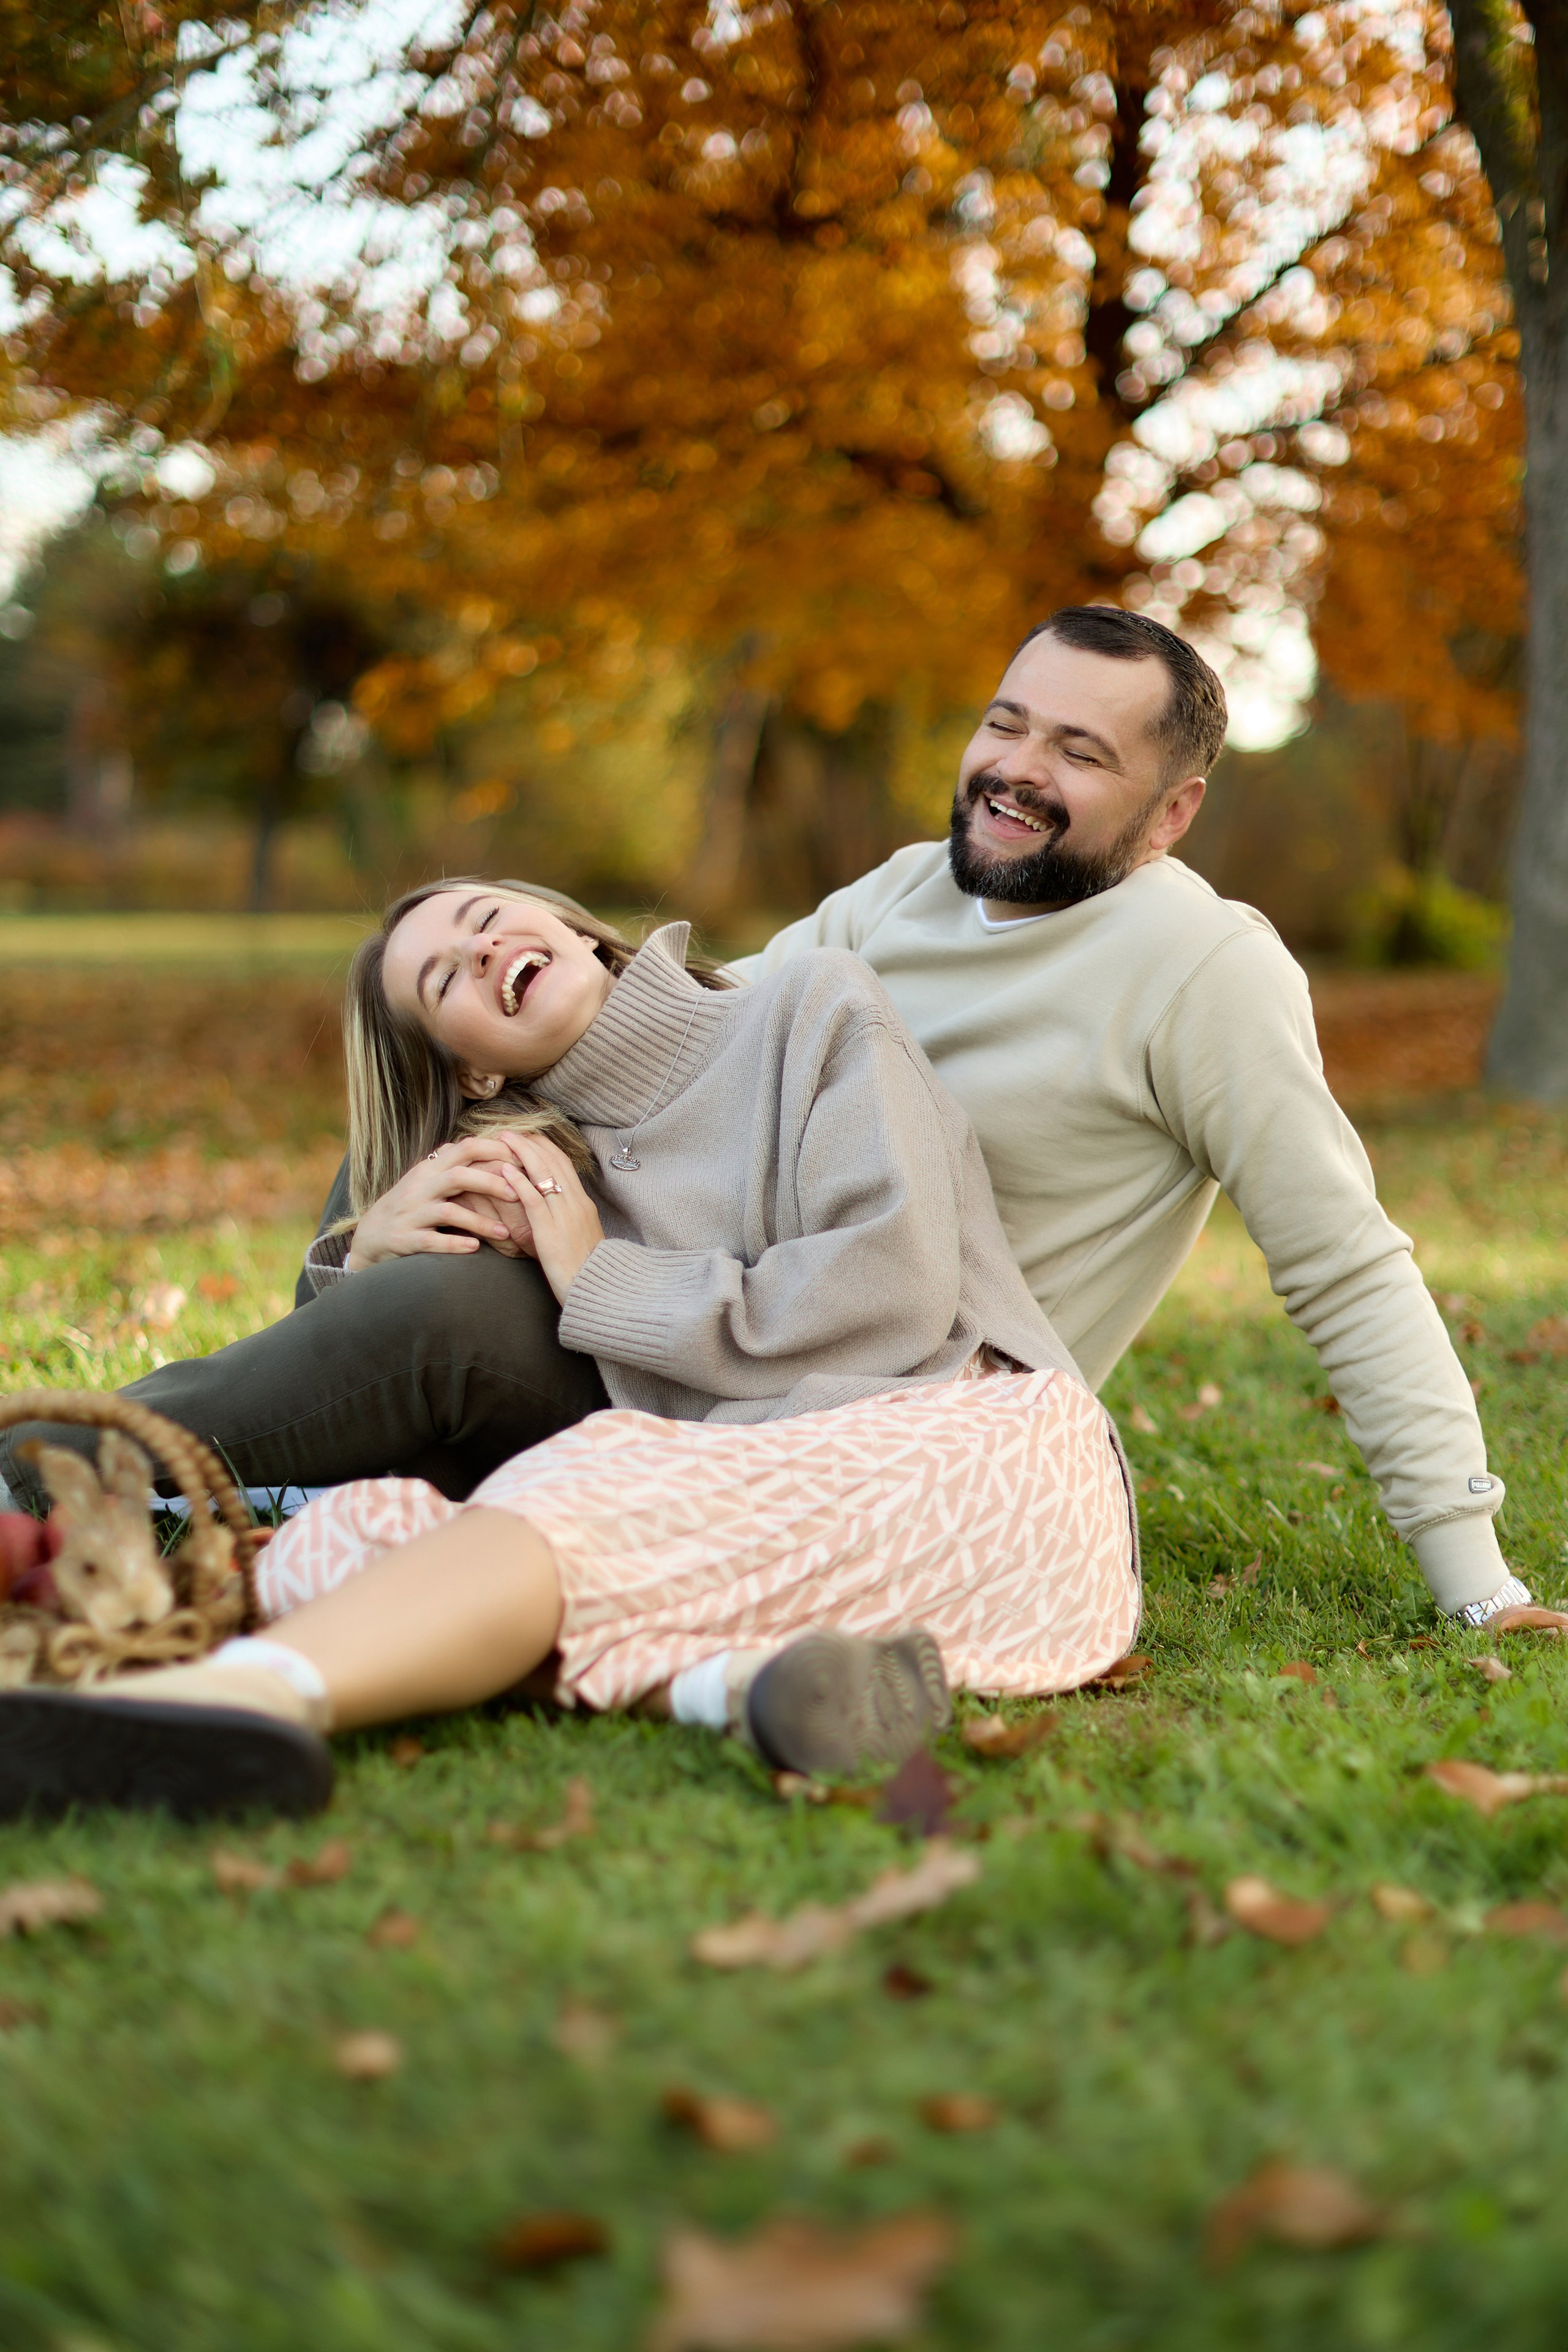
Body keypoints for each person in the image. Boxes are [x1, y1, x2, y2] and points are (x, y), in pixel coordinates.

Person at [0, 608, 1521, 1627]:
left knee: (453, 1315)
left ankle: (75, 1466)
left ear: (1172, 809)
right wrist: (363, 1230)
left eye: (1079, 751)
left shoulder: (1202, 971)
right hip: (676, 1314)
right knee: (463, 1091)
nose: (1014, 771)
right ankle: (219, 1443)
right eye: (1007, 725)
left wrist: (1470, 1574)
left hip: (873, 1391)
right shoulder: (898, 899)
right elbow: (679, 1054)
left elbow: (1342, 1261)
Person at [0, 884, 1137, 1819]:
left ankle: (247, 1692)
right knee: (360, 1539)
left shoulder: (812, 1009)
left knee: (582, 1498)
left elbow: (890, 1294)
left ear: (569, 922)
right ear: (474, 1069)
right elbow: (353, 1372)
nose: (482, 945)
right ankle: (734, 1688)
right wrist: (361, 1251)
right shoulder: (524, 1163)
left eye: (485, 914)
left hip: (970, 1449)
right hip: (749, 1482)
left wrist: (602, 1278)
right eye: (443, 976)